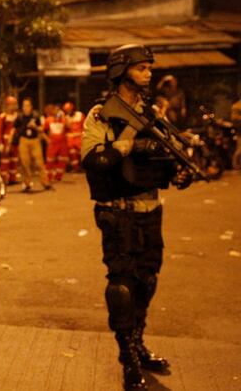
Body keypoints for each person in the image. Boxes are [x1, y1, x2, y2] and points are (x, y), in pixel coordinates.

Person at [82, 44, 193, 390]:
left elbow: (167, 155)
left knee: (148, 280)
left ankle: (138, 341)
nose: (148, 73)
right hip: (118, 211)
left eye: (149, 67)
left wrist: (178, 172)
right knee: (122, 286)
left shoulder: (153, 114)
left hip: (150, 209)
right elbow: (92, 159)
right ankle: (128, 357)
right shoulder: (101, 114)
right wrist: (126, 144)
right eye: (141, 67)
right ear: (121, 71)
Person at [15, 98, 51, 192]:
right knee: (25, 163)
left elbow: (41, 129)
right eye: (24, 105)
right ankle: (27, 184)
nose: (25, 108)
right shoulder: (19, 117)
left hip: (35, 141)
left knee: (39, 163)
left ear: (31, 107)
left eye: (27, 105)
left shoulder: (36, 116)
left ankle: (45, 182)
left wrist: (35, 127)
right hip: (23, 140)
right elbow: (14, 129)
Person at [0, 96, 20, 183]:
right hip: (5, 142)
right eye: (11, 104)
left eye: (14, 104)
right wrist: (0, 143)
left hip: (15, 141)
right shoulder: (2, 117)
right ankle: (4, 179)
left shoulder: (17, 116)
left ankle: (13, 178)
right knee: (5, 161)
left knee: (14, 160)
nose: (13, 106)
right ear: (7, 105)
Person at [43, 103, 68, 182]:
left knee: (62, 160)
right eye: (55, 109)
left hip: (62, 143)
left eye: (58, 110)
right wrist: (47, 139)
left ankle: (58, 177)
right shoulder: (48, 119)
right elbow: (42, 131)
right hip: (52, 143)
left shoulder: (63, 119)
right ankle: (48, 177)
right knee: (50, 160)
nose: (57, 111)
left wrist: (64, 117)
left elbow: (69, 126)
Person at [63, 101, 84, 172]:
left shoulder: (80, 115)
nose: (68, 112)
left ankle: (83, 167)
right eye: (66, 111)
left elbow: (84, 126)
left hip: (79, 138)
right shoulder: (66, 118)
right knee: (72, 153)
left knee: (81, 153)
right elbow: (65, 130)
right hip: (70, 140)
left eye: (69, 110)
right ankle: (76, 168)